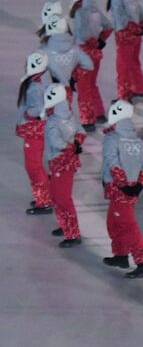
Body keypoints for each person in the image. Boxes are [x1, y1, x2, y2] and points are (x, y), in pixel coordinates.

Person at [99, 99, 143, 278]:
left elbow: (112, 163)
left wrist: (122, 185)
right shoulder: (137, 141)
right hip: (129, 189)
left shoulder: (111, 139)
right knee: (114, 222)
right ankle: (121, 255)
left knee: (127, 226)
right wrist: (138, 186)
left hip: (119, 189)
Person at [42, 83, 84, 247]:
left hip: (61, 162)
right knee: (55, 195)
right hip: (65, 161)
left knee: (62, 198)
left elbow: (56, 141)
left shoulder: (53, 120)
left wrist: (70, 146)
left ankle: (73, 234)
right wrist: (76, 143)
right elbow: (81, 132)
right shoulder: (69, 115)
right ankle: (64, 225)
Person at [69, 0, 113, 130]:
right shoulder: (95, 9)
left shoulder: (81, 12)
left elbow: (81, 36)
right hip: (96, 54)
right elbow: (109, 26)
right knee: (92, 84)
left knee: (83, 88)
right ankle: (99, 113)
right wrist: (100, 40)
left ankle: (88, 120)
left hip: (83, 53)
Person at [16, 51, 53, 215]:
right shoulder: (40, 80)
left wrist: (27, 117)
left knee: (33, 166)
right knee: (36, 165)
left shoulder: (35, 86)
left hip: (34, 129)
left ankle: (43, 200)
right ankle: (44, 196)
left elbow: (38, 110)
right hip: (38, 128)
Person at [106, 0, 143, 101]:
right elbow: (141, 13)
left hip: (124, 35)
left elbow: (121, 19)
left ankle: (124, 95)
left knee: (123, 66)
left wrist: (132, 28)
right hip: (136, 35)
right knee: (134, 61)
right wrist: (141, 27)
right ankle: (139, 87)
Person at [39, 15, 92, 106]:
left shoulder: (44, 50)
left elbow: (37, 70)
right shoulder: (75, 48)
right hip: (66, 89)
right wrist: (74, 74)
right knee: (65, 113)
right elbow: (89, 65)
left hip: (48, 90)